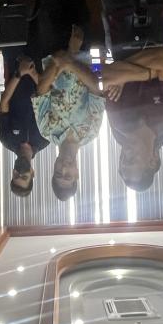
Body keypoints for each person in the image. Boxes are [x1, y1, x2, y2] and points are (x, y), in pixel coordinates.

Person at [55, 46, 163, 192]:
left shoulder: (119, 123)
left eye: (122, 159)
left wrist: (150, 73)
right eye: (131, 160)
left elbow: (106, 75)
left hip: (118, 44)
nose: (125, 154)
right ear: (153, 161)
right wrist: (125, 76)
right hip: (153, 40)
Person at [32, 26, 104, 201]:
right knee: (85, 13)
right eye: (68, 175)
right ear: (77, 173)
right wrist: (71, 59)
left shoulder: (46, 130)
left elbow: (42, 87)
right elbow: (96, 87)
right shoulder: (92, 131)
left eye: (58, 173)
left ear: (54, 167)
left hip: (51, 50)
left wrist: (64, 57)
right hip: (84, 50)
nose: (64, 168)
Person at [0, 49, 49, 197]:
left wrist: (20, 73)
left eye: (16, 176)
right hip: (40, 65)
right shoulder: (45, 139)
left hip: (15, 64)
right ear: (33, 173)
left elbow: (4, 102)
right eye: (24, 176)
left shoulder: (6, 140)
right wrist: (32, 72)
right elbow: (48, 98)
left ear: (12, 173)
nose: (20, 172)